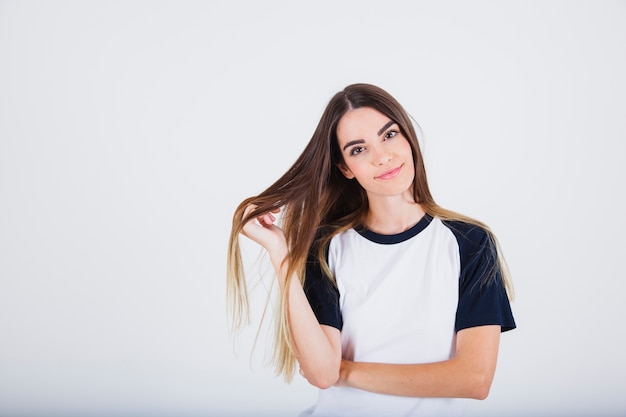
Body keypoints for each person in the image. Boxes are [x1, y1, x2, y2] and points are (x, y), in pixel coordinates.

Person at [226, 83, 516, 417]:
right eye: (358, 150)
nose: (382, 157)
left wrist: (346, 372)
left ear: (408, 137)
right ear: (346, 168)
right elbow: (322, 373)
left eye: (389, 135)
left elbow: (474, 379)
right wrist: (282, 255)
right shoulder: (325, 248)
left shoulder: (471, 243)